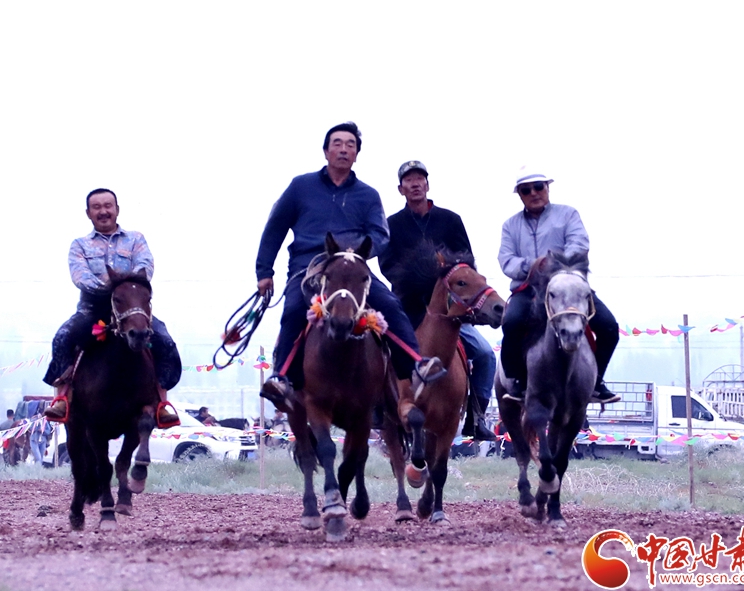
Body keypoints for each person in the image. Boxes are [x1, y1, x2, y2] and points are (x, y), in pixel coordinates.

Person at [256, 122, 444, 414]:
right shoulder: (300, 187)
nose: (344, 149)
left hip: (353, 266)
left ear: (357, 154)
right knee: (293, 309)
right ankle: (281, 378)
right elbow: (275, 228)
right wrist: (264, 272)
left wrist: (356, 251)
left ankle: (416, 363)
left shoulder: (368, 195)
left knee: (390, 304)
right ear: (325, 151)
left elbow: (380, 234)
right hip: (309, 266)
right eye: (338, 144)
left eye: (350, 145)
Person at [378, 160, 498, 441]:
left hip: (448, 306)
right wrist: (415, 281)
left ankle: (476, 416)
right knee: (379, 346)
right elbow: (386, 264)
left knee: (484, 354)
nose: (415, 184)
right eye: (409, 180)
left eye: (420, 179)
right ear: (401, 189)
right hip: (408, 305)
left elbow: (466, 259)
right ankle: (377, 406)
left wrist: (449, 282)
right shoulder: (392, 224)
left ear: (428, 185)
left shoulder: (450, 220)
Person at [42, 188, 182, 420]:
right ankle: (63, 399)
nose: (103, 211)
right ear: (88, 213)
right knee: (62, 338)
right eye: (96, 207)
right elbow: (80, 276)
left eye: (108, 206)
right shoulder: (79, 245)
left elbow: (145, 266)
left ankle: (161, 402)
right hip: (92, 309)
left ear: (117, 209)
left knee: (164, 340)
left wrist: (124, 289)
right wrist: (109, 289)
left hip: (131, 308)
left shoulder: (136, 239)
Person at [497, 167, 620, 403]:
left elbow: (579, 244)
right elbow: (506, 260)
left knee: (608, 327)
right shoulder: (510, 225)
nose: (534, 193)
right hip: (528, 290)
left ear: (547, 188)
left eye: (538, 187)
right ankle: (517, 381)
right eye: (526, 190)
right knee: (511, 322)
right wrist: (531, 265)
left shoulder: (568, 214)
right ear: (520, 195)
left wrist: (554, 265)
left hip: (568, 288)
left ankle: (596, 382)